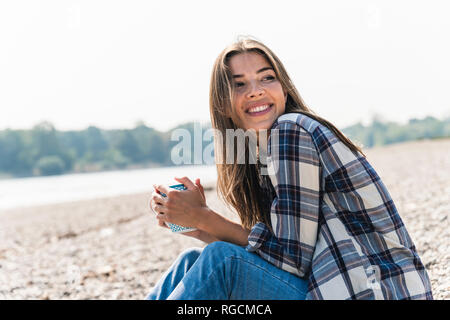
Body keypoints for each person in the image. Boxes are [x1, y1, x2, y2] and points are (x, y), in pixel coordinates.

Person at [146, 37, 433, 300]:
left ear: (283, 89)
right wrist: (198, 226)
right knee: (193, 259)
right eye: (239, 84)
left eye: (267, 78)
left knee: (221, 260)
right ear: (222, 104)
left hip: (371, 292)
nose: (256, 91)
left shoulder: (291, 131)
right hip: (338, 288)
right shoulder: (262, 157)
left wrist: (203, 217)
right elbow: (274, 253)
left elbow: (293, 259)